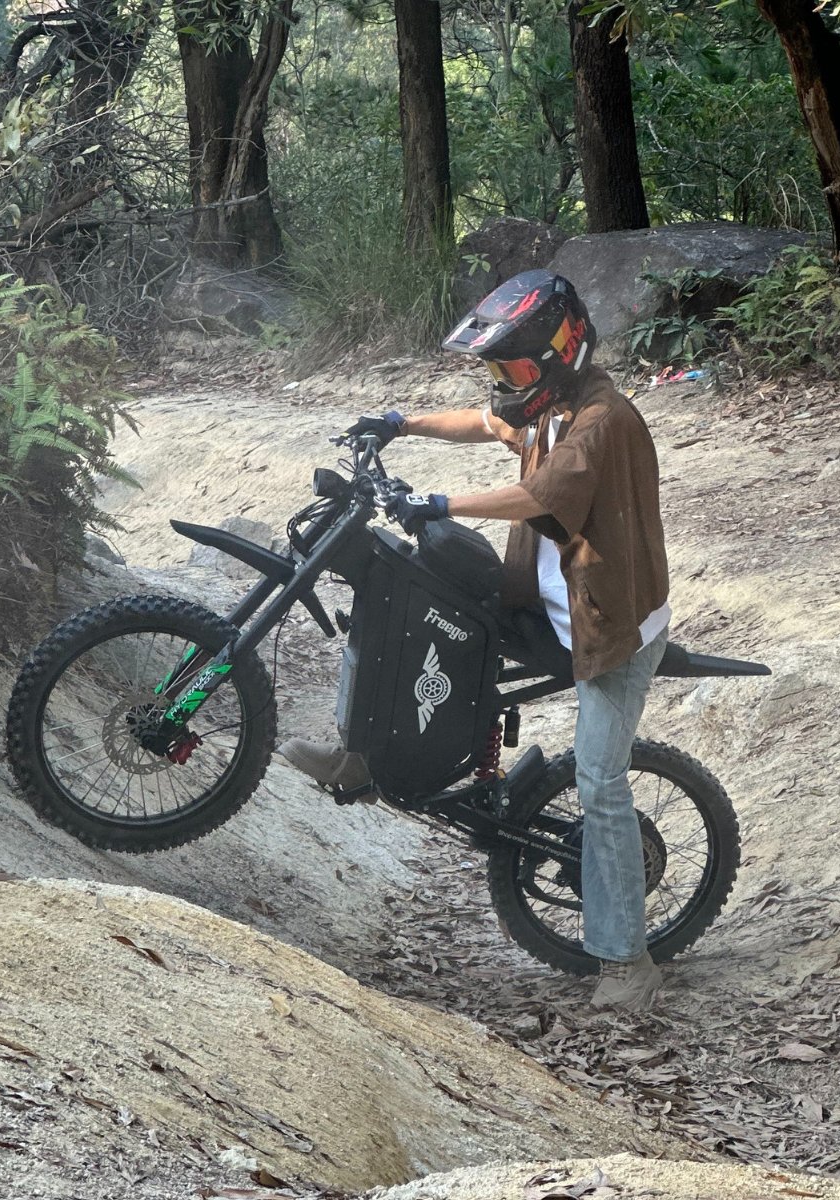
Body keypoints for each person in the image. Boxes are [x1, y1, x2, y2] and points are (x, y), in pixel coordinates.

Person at [279, 269, 671, 1013]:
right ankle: (366, 756)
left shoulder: (601, 420)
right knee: (410, 600)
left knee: (600, 781)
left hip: (610, 626)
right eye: (499, 370)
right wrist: (400, 422)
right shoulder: (550, 404)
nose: (505, 384)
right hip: (546, 599)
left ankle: (629, 960)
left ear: (562, 352)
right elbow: (485, 423)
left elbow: (537, 497)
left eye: (515, 368)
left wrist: (436, 500)